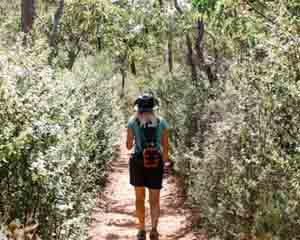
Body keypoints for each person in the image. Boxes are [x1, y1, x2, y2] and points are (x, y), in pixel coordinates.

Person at [126, 93, 171, 240]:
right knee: (155, 199)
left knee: (139, 198)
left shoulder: (132, 122)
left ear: (138, 108)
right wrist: (162, 164)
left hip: (138, 162)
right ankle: (154, 230)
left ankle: (141, 230)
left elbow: (128, 146)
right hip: (155, 162)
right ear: (153, 108)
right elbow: (165, 147)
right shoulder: (161, 122)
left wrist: (134, 139)